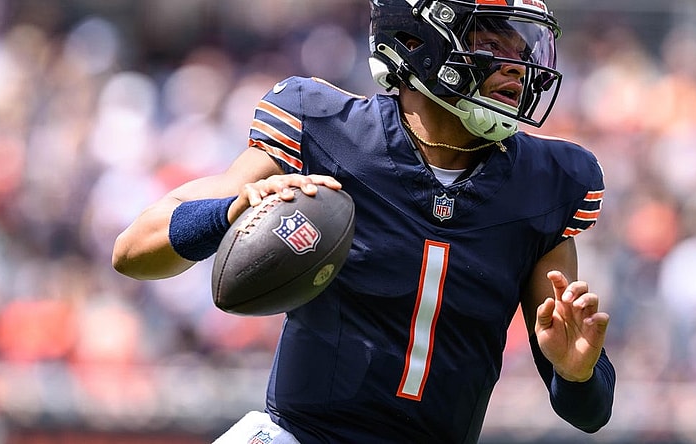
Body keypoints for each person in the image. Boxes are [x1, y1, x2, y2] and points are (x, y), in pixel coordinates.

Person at [112, 0, 616, 442]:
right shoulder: (327, 127)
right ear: (419, 39)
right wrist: (233, 210)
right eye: (492, 42)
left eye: (524, 51)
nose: (517, 68)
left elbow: (588, 413)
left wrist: (577, 372)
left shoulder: (548, 183)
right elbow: (134, 251)